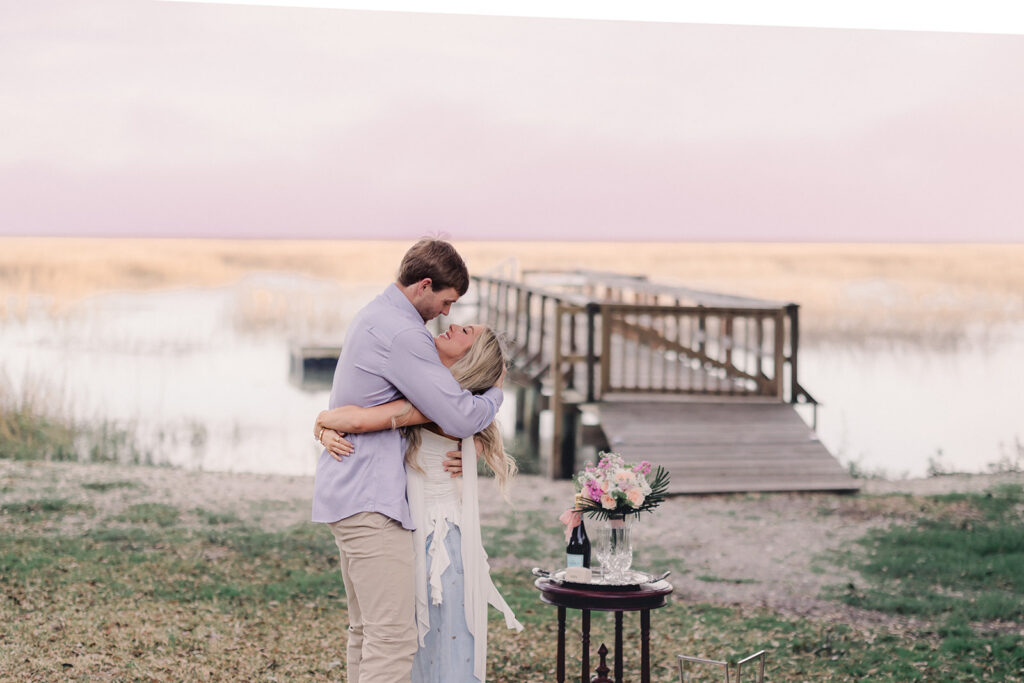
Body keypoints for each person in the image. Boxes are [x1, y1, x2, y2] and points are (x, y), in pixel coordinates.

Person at [311, 239, 505, 683]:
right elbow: (457, 415)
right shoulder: (405, 334)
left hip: (350, 492)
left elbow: (379, 413)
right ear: (424, 285)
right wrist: (495, 391)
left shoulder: (374, 314)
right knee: (393, 638)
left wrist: (323, 422)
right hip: (370, 500)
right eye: (446, 301)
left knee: (366, 631)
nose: (446, 315)